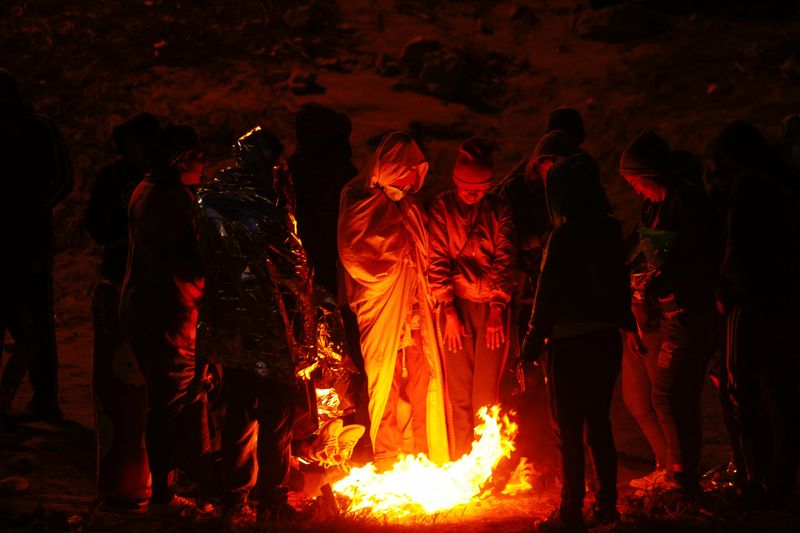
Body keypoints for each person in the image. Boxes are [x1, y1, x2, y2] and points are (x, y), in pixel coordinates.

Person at [195, 126, 315, 522]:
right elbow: (292, 266)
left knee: (238, 413)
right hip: (268, 325)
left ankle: (235, 493)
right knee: (274, 415)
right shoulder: (268, 199)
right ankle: (270, 497)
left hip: (230, 325)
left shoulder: (211, 196)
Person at [519, 153, 636, 531]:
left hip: (569, 346)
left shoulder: (563, 236)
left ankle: (570, 511)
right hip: (604, 341)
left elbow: (547, 296)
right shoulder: (609, 229)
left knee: (568, 431)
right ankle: (606, 507)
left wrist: (529, 347)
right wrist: (626, 323)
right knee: (599, 423)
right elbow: (619, 282)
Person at [338, 132, 449, 471]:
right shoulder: (356, 196)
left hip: (416, 308)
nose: (411, 183)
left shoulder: (411, 203)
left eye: (416, 176)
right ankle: (387, 458)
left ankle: (422, 456)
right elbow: (356, 253)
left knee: (421, 380)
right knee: (384, 382)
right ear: (388, 167)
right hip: (381, 305)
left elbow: (423, 248)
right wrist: (397, 246)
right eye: (405, 174)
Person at [620, 130, 720, 495]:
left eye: (635, 182)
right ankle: (680, 471)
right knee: (672, 395)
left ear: (652, 174)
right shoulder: (654, 206)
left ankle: (682, 475)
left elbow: (696, 260)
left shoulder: (689, 204)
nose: (635, 190)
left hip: (689, 313)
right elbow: (639, 251)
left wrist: (668, 286)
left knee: (669, 393)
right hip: (663, 314)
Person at [708, 121, 799, 508]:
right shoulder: (784, 184)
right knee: (780, 393)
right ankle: (780, 482)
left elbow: (739, 245)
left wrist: (726, 288)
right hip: (783, 301)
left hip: (751, 301)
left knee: (736, 386)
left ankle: (753, 480)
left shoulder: (749, 186)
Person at [119, 125, 209, 510]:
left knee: (169, 398)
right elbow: (190, 263)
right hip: (169, 312)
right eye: (198, 157)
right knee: (169, 401)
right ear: (182, 159)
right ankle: (163, 493)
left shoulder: (144, 188)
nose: (203, 164)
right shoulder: (173, 200)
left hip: (144, 304)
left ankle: (175, 481)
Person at [85, 113, 160, 512]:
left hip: (151, 285)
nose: (135, 151)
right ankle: (122, 479)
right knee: (118, 382)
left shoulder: (164, 185)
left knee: (145, 387)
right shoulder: (113, 178)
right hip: (118, 278)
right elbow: (93, 224)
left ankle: (148, 477)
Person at [428, 137, 515, 458]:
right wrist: (448, 308)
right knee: (459, 393)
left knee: (486, 395)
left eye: (479, 189)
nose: (472, 194)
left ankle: (486, 467)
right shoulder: (442, 208)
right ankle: (462, 464)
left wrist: (496, 309)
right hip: (457, 308)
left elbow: (505, 258)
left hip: (492, 309)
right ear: (455, 181)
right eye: (466, 187)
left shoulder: (499, 210)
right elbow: (437, 258)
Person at [0, 69, 72, 422]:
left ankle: (44, 398)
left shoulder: (37, 128)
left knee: (37, 315)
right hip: (21, 236)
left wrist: (33, 211)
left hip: (29, 239)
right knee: (29, 316)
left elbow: (62, 180)